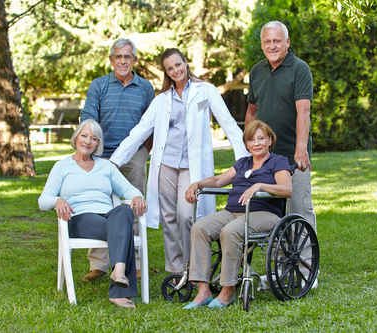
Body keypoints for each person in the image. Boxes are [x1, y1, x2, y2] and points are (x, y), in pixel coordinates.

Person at [110, 48, 250, 274]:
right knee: (169, 217)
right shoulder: (162, 100)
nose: (175, 70)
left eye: (178, 64)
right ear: (166, 73)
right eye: (169, 68)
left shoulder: (206, 91)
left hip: (191, 167)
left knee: (187, 215)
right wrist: (115, 161)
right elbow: (140, 131)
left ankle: (193, 267)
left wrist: (245, 159)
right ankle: (176, 271)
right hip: (165, 165)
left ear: (185, 62)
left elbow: (228, 123)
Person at [38, 119, 148, 309]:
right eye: (84, 136)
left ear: (98, 143)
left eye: (94, 138)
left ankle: (118, 270)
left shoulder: (106, 166)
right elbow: (43, 200)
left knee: (123, 210)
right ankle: (120, 290)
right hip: (79, 218)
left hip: (108, 217)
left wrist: (137, 197)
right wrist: (58, 200)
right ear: (76, 137)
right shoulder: (62, 166)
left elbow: (129, 190)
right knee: (124, 230)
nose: (88, 141)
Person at [182, 120, 292, 309]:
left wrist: (260, 186)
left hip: (264, 214)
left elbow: (286, 189)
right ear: (246, 144)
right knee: (200, 227)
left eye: (261, 138)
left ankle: (228, 291)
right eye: (251, 140)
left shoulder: (278, 161)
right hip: (232, 212)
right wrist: (197, 184)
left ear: (270, 140)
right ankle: (203, 292)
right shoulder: (243, 163)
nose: (256, 144)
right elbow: (218, 180)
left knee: (231, 231)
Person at [80, 38, 155, 282]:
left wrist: (143, 152)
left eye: (127, 57)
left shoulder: (145, 87)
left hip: (133, 155)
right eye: (118, 57)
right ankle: (99, 264)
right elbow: (88, 119)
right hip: (102, 154)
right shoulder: (98, 85)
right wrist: (92, 152)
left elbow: (151, 125)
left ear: (134, 60)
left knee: (134, 205)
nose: (122, 61)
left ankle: (136, 261)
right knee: (99, 204)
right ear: (111, 60)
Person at [245, 21, 316, 233]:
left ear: (287, 42)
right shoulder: (256, 71)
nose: (272, 46)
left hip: (293, 154)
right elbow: (251, 112)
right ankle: (280, 263)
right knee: (269, 210)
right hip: (265, 156)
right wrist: (248, 146)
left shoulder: (300, 69)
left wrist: (301, 149)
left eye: (277, 41)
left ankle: (306, 265)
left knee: (299, 209)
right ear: (261, 44)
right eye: (267, 41)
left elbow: (304, 111)